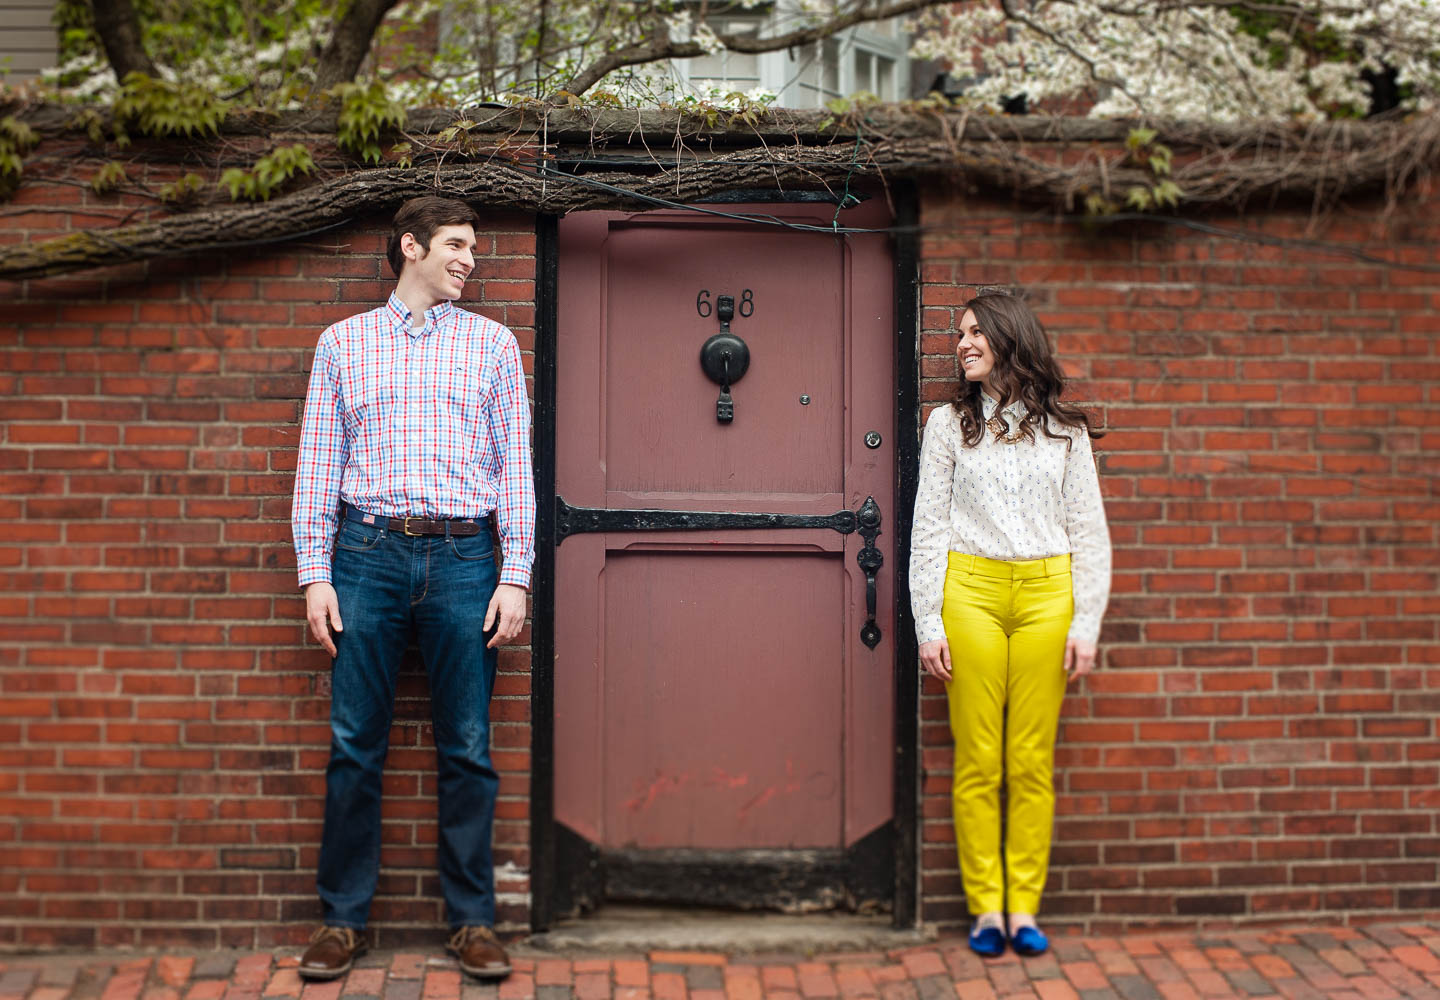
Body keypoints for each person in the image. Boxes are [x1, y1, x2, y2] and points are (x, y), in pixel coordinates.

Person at [290, 196, 535, 981]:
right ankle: (343, 920)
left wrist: (517, 573)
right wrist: (315, 574)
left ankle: (471, 923)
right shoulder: (342, 345)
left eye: (473, 247)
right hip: (365, 556)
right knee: (355, 745)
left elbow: (515, 472)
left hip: (467, 560)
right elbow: (317, 469)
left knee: (466, 747)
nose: (470, 259)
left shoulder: (494, 346)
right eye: (457, 245)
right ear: (411, 246)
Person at [909, 289, 1110, 958]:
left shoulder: (1065, 431)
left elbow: (1088, 531)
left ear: (1008, 337)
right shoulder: (948, 425)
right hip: (970, 592)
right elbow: (928, 527)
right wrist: (927, 622)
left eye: (974, 333)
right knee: (977, 760)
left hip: (1048, 595)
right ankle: (985, 909)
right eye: (958, 334)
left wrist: (1086, 621)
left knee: (1028, 760)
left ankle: (1024, 908)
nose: (962, 344)